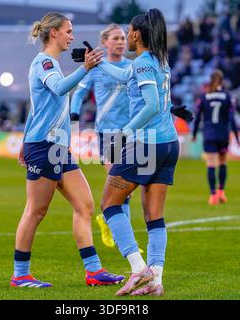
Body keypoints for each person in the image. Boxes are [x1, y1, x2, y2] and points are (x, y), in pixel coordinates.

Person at [11, 12, 124, 289]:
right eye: (68, 31)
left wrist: (24, 140)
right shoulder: (45, 62)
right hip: (45, 147)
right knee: (36, 211)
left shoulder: (53, 64)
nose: (72, 36)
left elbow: (36, 108)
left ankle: (94, 271)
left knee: (84, 205)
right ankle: (20, 275)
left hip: (58, 147)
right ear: (54, 34)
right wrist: (85, 68)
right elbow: (60, 88)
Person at [96, 8, 178, 296]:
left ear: (136, 34)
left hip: (147, 144)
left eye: (129, 31)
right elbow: (122, 74)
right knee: (154, 216)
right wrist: (96, 63)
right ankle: (155, 280)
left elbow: (153, 104)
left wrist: (125, 132)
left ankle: (137, 267)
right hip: (169, 144)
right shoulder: (157, 60)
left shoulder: (143, 62)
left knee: (109, 204)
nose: (126, 36)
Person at [70, 24, 134, 250]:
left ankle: (110, 223)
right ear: (105, 42)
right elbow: (79, 93)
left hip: (132, 132)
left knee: (127, 187)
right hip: (109, 133)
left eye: (123, 38)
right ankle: (122, 235)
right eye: (115, 38)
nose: (120, 42)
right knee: (119, 182)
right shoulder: (96, 68)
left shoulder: (132, 66)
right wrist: (74, 117)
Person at [192, 70, 240, 205]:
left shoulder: (204, 97)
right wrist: (237, 136)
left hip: (209, 134)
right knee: (223, 162)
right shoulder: (227, 96)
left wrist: (195, 134)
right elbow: (231, 119)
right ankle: (221, 192)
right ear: (222, 81)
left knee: (211, 164)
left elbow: (197, 118)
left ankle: (213, 195)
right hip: (223, 134)